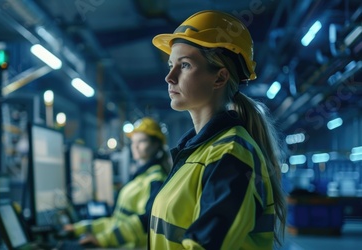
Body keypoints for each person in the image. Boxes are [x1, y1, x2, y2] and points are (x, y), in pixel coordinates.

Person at [142, 10, 286, 249]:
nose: (170, 77)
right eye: (170, 65)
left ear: (219, 78)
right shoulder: (195, 152)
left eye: (184, 65)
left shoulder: (230, 154)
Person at [64, 117, 170, 248]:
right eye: (133, 142)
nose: (135, 146)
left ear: (156, 144)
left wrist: (103, 240)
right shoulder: (141, 177)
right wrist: (78, 229)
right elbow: (116, 221)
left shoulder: (156, 179)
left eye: (141, 141)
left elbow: (145, 222)